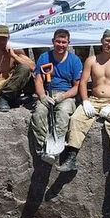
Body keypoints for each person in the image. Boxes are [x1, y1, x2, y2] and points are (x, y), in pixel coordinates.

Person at [56, 29, 110, 175]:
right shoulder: (92, 60)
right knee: (76, 119)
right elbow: (82, 83)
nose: (109, 44)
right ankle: (71, 158)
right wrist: (85, 101)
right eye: (107, 40)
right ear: (102, 41)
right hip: (93, 100)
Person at [31, 29, 82, 164]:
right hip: (47, 93)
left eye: (64, 42)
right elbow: (39, 80)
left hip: (65, 95)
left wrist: (63, 96)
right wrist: (42, 96)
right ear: (53, 42)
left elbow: (77, 86)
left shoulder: (74, 61)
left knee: (64, 113)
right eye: (58, 42)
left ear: (68, 43)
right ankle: (43, 146)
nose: (61, 45)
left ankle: (55, 145)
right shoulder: (44, 58)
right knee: (39, 112)